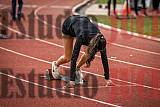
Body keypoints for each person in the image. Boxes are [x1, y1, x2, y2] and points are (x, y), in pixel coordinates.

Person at [49, 15, 114, 88]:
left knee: (88, 54)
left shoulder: (101, 40)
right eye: (96, 50)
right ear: (93, 45)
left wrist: (107, 79)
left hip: (83, 23)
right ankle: (56, 64)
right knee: (68, 57)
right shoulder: (81, 37)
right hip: (69, 26)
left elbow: (104, 59)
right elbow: (74, 57)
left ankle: (77, 68)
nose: (97, 52)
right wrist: (72, 81)